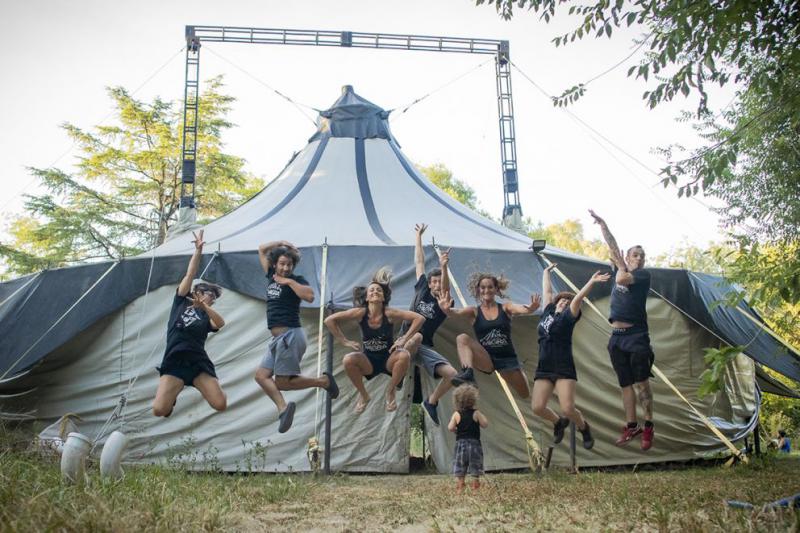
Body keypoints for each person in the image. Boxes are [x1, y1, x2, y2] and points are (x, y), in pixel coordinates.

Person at [254, 240, 339, 434]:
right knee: (261, 376)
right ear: (275, 264)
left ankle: (323, 382)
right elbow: (261, 249)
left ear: (293, 266)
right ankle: (283, 409)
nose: (285, 268)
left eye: (289, 265)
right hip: (277, 340)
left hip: (290, 335)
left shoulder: (297, 280)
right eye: (282, 264)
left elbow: (310, 296)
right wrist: (282, 243)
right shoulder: (271, 276)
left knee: (282, 382)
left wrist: (289, 282)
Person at [589, 209, 656, 450]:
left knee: (641, 383)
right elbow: (614, 248)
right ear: (628, 257)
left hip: (636, 336)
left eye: (642, 256)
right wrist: (603, 225)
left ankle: (648, 425)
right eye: (635, 255)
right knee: (625, 384)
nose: (639, 258)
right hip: (616, 337)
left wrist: (620, 264)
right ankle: (632, 425)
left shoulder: (643, 275)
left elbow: (621, 279)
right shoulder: (621, 267)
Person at [532, 263, 611, 449]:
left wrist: (591, 282)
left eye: (568, 302)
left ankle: (584, 427)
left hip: (563, 367)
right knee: (537, 407)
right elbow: (547, 292)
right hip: (544, 367)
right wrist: (546, 273)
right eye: (562, 300)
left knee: (568, 408)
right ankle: (558, 422)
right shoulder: (548, 312)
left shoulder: (568, 318)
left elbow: (578, 299)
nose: (564, 302)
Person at [324, 269, 425, 414]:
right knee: (347, 359)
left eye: (379, 290)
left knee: (404, 355)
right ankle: (364, 395)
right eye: (371, 290)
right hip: (369, 362)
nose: (375, 292)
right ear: (367, 298)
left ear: (383, 297)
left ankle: (390, 391)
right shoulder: (360, 313)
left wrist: (404, 339)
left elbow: (419, 318)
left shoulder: (389, 313)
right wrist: (345, 341)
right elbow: (329, 320)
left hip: (388, 359)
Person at [153, 230, 227, 417]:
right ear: (197, 292)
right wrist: (198, 251)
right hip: (175, 358)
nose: (210, 298)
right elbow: (190, 274)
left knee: (220, 404)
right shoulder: (181, 301)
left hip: (197, 361)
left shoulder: (207, 316)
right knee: (159, 410)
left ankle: (189, 385)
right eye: (208, 293)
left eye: (213, 297)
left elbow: (220, 323)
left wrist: (205, 307)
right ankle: (172, 394)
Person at [399, 223, 460, 426]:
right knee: (416, 335)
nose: (435, 284)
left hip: (423, 346)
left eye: (438, 282)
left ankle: (431, 402)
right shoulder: (422, 289)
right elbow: (419, 262)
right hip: (406, 340)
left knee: (453, 375)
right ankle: (399, 371)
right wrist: (418, 237)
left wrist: (444, 267)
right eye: (433, 281)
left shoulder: (444, 302)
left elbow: (446, 289)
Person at [449, 273, 541, 399]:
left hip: (507, 359)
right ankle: (468, 374)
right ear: (478, 290)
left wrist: (530, 309)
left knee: (525, 394)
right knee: (462, 338)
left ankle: (519, 375)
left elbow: (520, 309)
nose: (486, 290)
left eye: (490, 287)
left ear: (496, 289)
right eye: (483, 287)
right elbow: (455, 312)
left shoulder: (505, 307)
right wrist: (445, 308)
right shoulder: (474, 311)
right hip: (486, 358)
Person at [447, 383, 488, 493]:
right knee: (475, 463)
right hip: (474, 444)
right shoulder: (476, 413)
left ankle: (460, 484)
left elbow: (450, 427)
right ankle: (475, 483)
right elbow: (485, 424)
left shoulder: (456, 414)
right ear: (474, 399)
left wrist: (456, 430)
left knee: (460, 463)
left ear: (457, 400)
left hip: (461, 444)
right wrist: (480, 416)